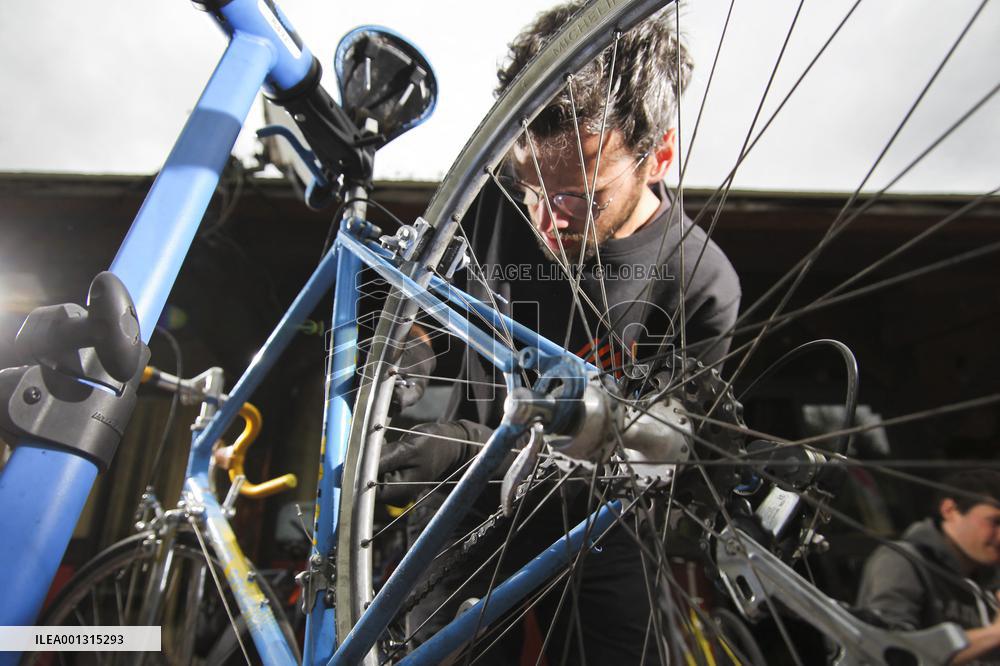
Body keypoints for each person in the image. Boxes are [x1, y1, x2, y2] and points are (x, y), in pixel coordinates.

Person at [379, 2, 741, 662]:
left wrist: (471, 449)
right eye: (532, 188)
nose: (549, 219)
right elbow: (429, 322)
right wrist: (401, 370)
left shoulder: (698, 283)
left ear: (657, 156)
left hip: (598, 526)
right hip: (462, 510)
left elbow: (651, 458)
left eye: (581, 197)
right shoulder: (489, 200)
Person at [856, 469, 1000, 665]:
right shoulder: (902, 561)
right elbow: (890, 651)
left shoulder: (986, 577)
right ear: (950, 510)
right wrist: (993, 634)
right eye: (995, 522)